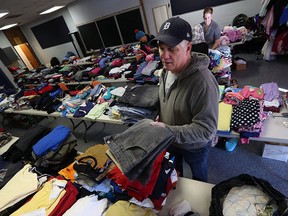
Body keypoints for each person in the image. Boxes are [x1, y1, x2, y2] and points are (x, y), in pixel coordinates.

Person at [150, 17, 219, 182]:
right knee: (174, 175)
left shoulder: (203, 82)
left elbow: (206, 130)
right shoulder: (166, 71)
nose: (164, 55)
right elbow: (166, 98)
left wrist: (168, 131)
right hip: (170, 140)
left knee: (199, 178)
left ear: (188, 47)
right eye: (161, 48)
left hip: (194, 146)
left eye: (172, 49)